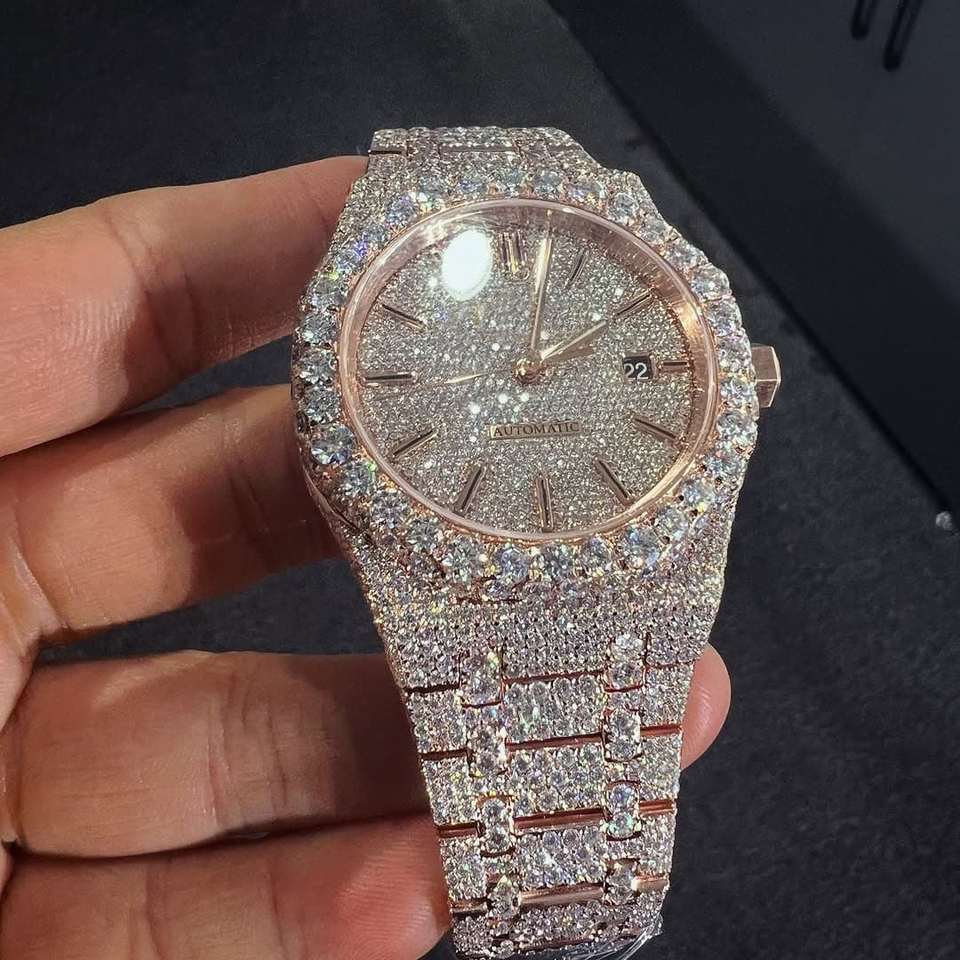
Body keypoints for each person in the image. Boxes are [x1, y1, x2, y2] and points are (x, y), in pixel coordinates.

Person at [0, 157, 731, 959]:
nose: (526, 375)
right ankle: (558, 914)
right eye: (525, 371)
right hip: (440, 567)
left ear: (733, 375)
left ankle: (587, 911)